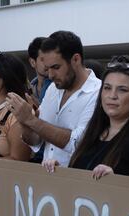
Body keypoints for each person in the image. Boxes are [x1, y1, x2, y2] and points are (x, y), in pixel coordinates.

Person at [55, 56, 129, 180]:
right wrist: (60, 172)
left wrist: (116, 182)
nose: (112, 95)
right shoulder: (94, 131)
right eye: (107, 88)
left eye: (122, 90)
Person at [6, 30, 101, 167]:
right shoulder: (53, 88)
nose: (50, 75)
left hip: (79, 183)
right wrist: (23, 121)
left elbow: (77, 143)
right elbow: (36, 141)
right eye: (47, 68)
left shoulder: (98, 92)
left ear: (76, 59)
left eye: (56, 67)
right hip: (48, 180)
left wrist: (31, 120)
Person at [27, 37, 52, 104]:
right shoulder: (30, 89)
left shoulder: (60, 86)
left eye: (51, 58)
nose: (49, 63)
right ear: (32, 62)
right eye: (43, 59)